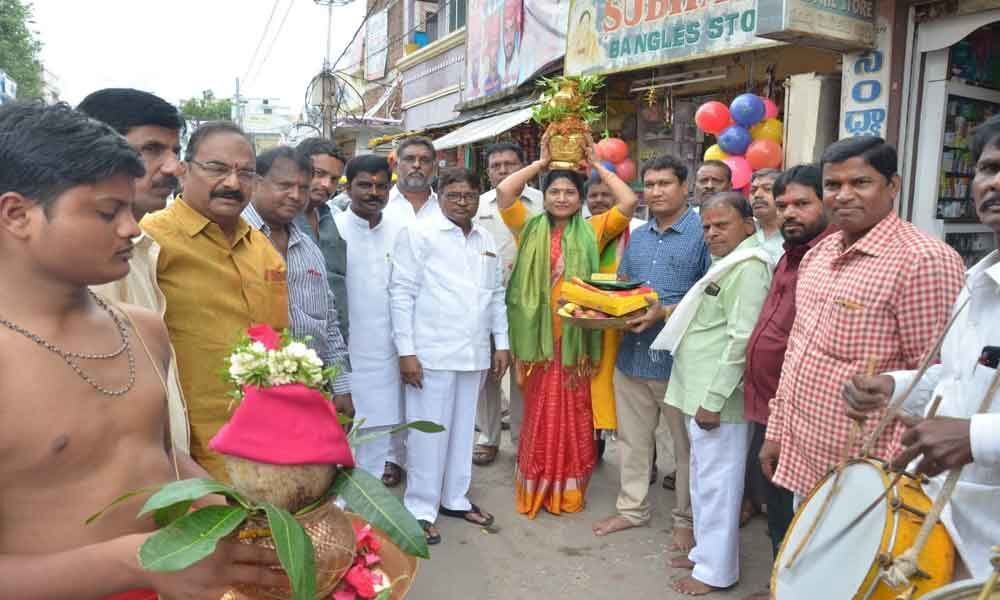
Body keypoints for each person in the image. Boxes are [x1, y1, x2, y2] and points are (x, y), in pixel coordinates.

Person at [0, 101, 285, 599]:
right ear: (18, 214)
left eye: (130, 210)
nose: (131, 228)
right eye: (107, 212)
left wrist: (224, 507)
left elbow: (153, 454)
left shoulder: (145, 329)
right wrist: (133, 563)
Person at [760, 137, 965, 510]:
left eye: (861, 183)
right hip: (806, 456)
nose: (843, 195)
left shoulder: (924, 261)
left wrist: (898, 474)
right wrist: (778, 431)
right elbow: (798, 352)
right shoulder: (818, 255)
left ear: (893, 186)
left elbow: (940, 380)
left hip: (870, 470)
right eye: (833, 185)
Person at [843, 115, 1000, 581]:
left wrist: (974, 437)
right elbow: (957, 376)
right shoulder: (979, 281)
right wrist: (891, 386)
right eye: (989, 169)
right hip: (950, 526)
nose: (995, 183)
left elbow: (969, 424)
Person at [498, 134, 639, 518]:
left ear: (580, 199)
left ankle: (568, 490)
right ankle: (537, 484)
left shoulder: (593, 230)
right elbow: (506, 191)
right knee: (539, 416)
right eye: (554, 192)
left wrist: (595, 166)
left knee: (574, 418)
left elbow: (628, 201)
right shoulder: (527, 227)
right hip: (539, 342)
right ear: (543, 198)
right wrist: (542, 164)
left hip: (576, 343)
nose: (561, 198)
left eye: (569, 193)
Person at [142, 121, 290, 480]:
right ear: (184, 169)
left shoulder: (262, 249)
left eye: (246, 173)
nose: (232, 183)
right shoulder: (150, 241)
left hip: (268, 449)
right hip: (187, 463)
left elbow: (280, 340)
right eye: (217, 169)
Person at [652, 192, 771, 595]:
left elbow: (742, 340)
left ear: (748, 226)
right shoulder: (731, 263)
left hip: (717, 400)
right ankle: (705, 554)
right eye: (706, 226)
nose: (712, 233)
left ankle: (715, 572)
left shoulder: (750, 267)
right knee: (704, 480)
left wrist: (714, 399)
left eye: (722, 225)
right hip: (699, 390)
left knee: (718, 486)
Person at [592, 156, 711, 554]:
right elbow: (625, 286)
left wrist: (665, 312)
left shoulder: (703, 232)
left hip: (678, 362)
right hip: (631, 356)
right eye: (650, 184)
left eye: (665, 183)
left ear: (685, 187)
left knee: (686, 449)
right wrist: (608, 309)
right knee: (631, 442)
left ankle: (686, 521)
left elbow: (711, 297)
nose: (656, 192)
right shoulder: (638, 235)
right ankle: (632, 508)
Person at [390, 168, 510, 545]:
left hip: (473, 353)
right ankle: (420, 509)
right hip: (430, 353)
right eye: (454, 195)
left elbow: (494, 295)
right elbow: (401, 293)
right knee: (428, 435)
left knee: (461, 434)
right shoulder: (419, 234)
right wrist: (406, 352)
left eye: (470, 195)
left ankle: (454, 498)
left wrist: (501, 342)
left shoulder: (485, 237)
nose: (462, 202)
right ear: (438, 196)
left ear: (479, 198)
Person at [78, 88, 190, 453]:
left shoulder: (145, 248)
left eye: (175, 151)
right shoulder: (77, 263)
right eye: (152, 150)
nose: (173, 167)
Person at [741, 164, 834, 600]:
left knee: (809, 512)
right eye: (783, 206)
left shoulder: (829, 258)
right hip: (772, 406)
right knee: (777, 505)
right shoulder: (788, 253)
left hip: (810, 412)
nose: (790, 213)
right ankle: (782, 583)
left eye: (802, 203)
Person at [243, 146, 352, 416]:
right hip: (248, 390)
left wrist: (341, 386)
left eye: (303, 188)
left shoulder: (308, 247)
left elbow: (328, 321)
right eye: (284, 185)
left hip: (310, 390)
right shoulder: (233, 238)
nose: (295, 196)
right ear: (257, 183)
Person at [333, 155, 406, 480]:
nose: (373, 193)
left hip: (385, 354)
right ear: (349, 188)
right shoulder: (332, 230)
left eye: (381, 186)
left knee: (377, 434)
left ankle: (368, 518)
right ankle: (338, 514)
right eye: (365, 185)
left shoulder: (402, 230)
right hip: (343, 352)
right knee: (340, 438)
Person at [473, 141, 542, 467]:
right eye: (496, 165)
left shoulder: (544, 201)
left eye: (509, 164)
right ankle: (487, 437)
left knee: (523, 376)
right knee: (486, 373)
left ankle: (522, 441)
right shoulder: (478, 204)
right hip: (487, 301)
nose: (503, 170)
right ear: (488, 171)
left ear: (523, 166)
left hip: (531, 304)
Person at [380, 136, 442, 487]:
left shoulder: (445, 208)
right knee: (391, 389)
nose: (417, 165)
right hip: (388, 313)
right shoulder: (382, 208)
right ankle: (393, 456)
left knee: (424, 393)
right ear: (397, 164)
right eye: (410, 159)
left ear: (433, 166)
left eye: (424, 160)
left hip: (434, 320)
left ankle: (426, 461)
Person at [585, 174, 647, 458]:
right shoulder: (584, 230)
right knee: (590, 388)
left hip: (628, 323)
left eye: (604, 194)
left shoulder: (638, 231)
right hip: (589, 322)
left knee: (632, 398)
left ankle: (646, 461)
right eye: (593, 195)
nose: (598, 200)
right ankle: (592, 450)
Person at [294, 138, 350, 342]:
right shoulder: (279, 221)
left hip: (334, 342)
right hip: (292, 349)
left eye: (334, 179)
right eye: (319, 174)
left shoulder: (328, 216)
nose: (326, 184)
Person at [749, 168, 785, 264]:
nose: (757, 195)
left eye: (767, 189)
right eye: (753, 190)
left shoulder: (793, 233)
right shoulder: (742, 230)